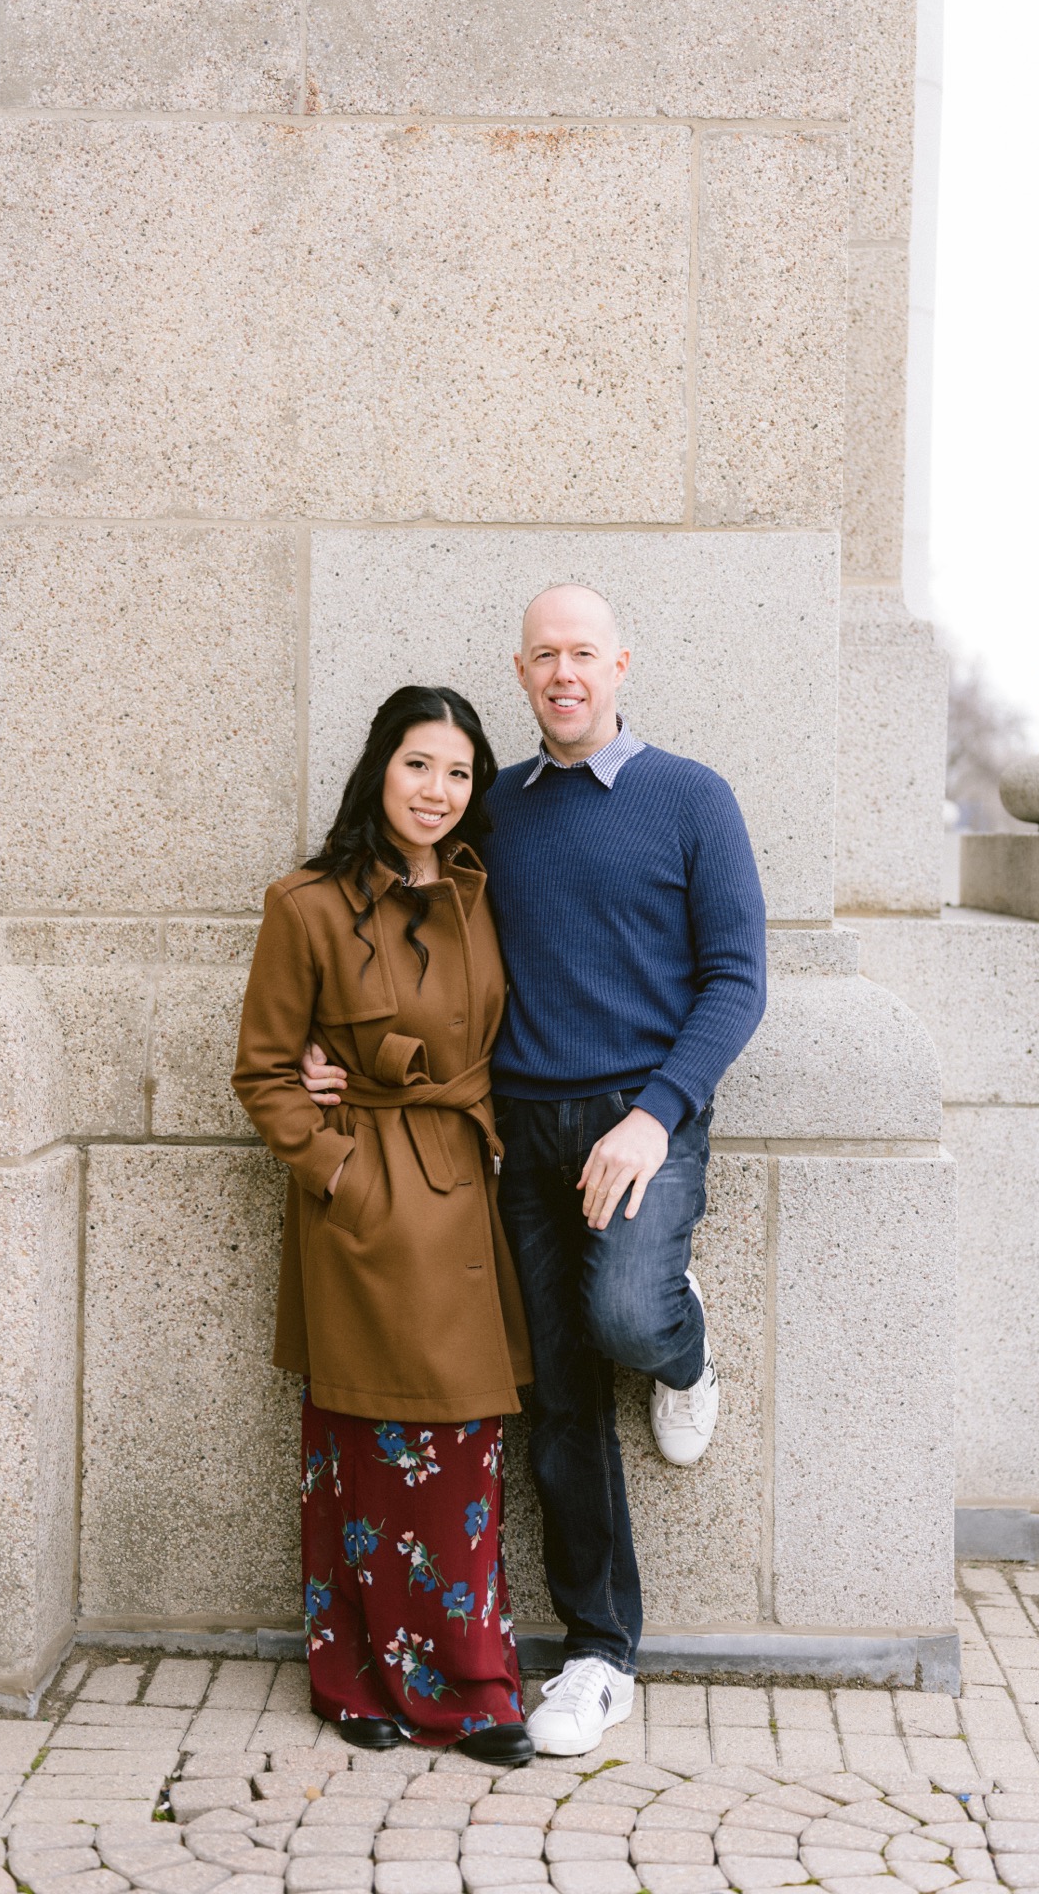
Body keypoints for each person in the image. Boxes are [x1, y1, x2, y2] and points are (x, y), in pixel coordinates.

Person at [301, 586, 767, 1759]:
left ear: (620, 663)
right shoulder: (489, 810)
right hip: (519, 1136)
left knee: (624, 1314)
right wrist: (327, 1056)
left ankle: (679, 1339)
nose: (564, 673)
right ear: (519, 672)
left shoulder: (690, 797)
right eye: (542, 656)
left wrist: (656, 1117)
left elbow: (736, 980)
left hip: (639, 1123)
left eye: (583, 654)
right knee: (555, 1399)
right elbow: (396, 925)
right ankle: (599, 1654)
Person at [233, 684, 535, 1765]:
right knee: (360, 1448)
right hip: (361, 1212)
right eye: (420, 766)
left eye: (458, 774)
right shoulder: (305, 905)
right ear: (379, 769)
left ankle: (477, 1685)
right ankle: (351, 1678)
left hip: (461, 1190)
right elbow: (265, 1073)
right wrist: (340, 1176)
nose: (438, 792)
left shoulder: (482, 894)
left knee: (461, 1448)